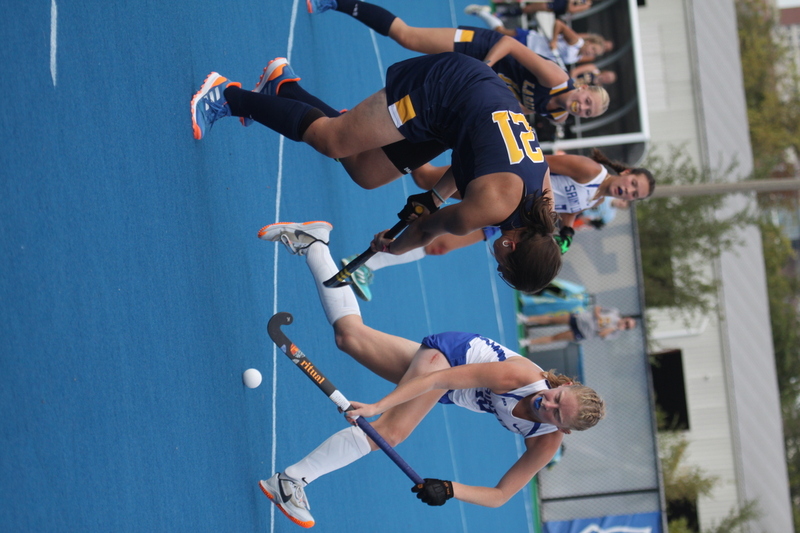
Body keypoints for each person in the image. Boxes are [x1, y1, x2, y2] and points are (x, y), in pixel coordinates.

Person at [255, 220, 605, 528]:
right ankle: (290, 481)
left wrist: (450, 489)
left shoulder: (546, 441)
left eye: (557, 414)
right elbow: (438, 380)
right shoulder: (520, 378)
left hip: (451, 387)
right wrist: (378, 407)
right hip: (452, 359)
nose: (548, 404)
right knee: (389, 432)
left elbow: (500, 495)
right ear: (566, 384)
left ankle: (314, 244)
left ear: (563, 430)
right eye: (558, 398)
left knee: (349, 337)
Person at [190, 51, 562, 293]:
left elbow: (480, 162)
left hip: (464, 111)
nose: (496, 262)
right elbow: (426, 230)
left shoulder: (542, 201)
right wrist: (391, 247)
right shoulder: (495, 208)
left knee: (367, 171)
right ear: (511, 246)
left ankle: (282, 88)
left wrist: (435, 196)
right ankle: (226, 96)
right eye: (503, 267)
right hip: (448, 89)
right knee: (334, 141)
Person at [342, 149, 655, 301]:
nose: (628, 192)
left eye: (634, 195)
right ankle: (372, 140)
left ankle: (368, 265)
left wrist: (568, 231)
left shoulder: (597, 200)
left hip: (516, 223)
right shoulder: (589, 171)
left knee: (440, 245)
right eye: (632, 185)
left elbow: (568, 211)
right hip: (502, 193)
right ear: (626, 172)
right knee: (425, 178)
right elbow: (540, 163)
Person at [309, 0, 609, 123]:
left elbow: (523, 105)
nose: (582, 108)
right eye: (586, 101)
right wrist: (486, 66)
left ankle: (349, 119)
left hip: (478, 75)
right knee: (408, 37)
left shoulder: (557, 115)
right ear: (583, 88)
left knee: (423, 96)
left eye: (587, 112)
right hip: (485, 49)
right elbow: (508, 43)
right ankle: (339, 2)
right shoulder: (556, 79)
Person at [465, 6, 611, 68]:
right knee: (500, 32)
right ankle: (482, 13)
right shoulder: (576, 42)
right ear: (589, 42)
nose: (590, 52)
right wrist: (554, 41)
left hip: (528, 53)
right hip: (530, 40)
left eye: (593, 53)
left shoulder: (576, 58)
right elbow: (559, 24)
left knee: (495, 47)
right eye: (593, 49)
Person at [518, 305, 636, 348]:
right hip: (580, 318)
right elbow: (598, 307)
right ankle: (526, 319)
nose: (625, 325)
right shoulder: (614, 312)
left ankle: (527, 342)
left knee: (554, 338)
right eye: (627, 323)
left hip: (582, 332)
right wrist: (597, 315)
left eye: (627, 327)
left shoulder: (615, 333)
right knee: (552, 319)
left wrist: (616, 327)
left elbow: (602, 334)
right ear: (626, 318)